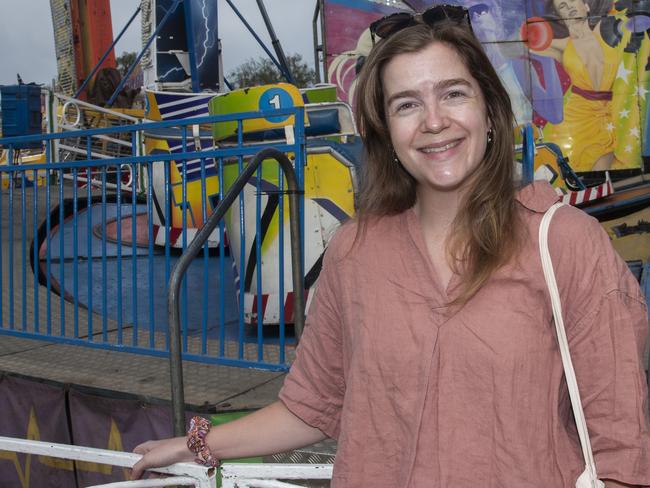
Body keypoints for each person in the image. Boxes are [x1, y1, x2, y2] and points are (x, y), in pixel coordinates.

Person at [131, 7, 650, 486]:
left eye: (453, 93)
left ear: (490, 111)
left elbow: (622, 445)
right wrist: (195, 444)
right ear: (385, 131)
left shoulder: (564, 244)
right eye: (407, 104)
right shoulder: (356, 251)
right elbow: (312, 405)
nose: (433, 121)